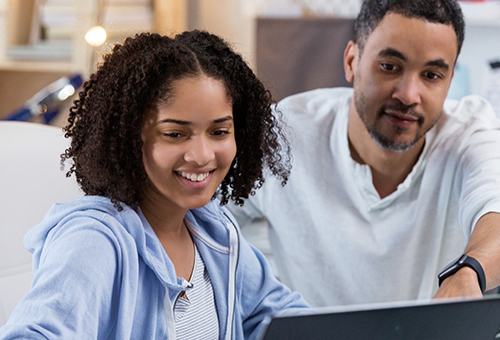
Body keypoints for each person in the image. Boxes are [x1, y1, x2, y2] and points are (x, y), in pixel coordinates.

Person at [0, 31, 308, 339]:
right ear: (131, 138)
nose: (202, 155)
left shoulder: (213, 230)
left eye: (219, 132)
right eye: (175, 134)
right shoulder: (95, 239)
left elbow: (280, 315)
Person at [228, 0, 500, 307]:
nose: (409, 95)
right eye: (390, 67)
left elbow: (495, 207)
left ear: (450, 81)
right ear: (351, 61)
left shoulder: (469, 134)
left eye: (432, 75)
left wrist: (469, 272)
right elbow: (208, 218)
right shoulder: (286, 133)